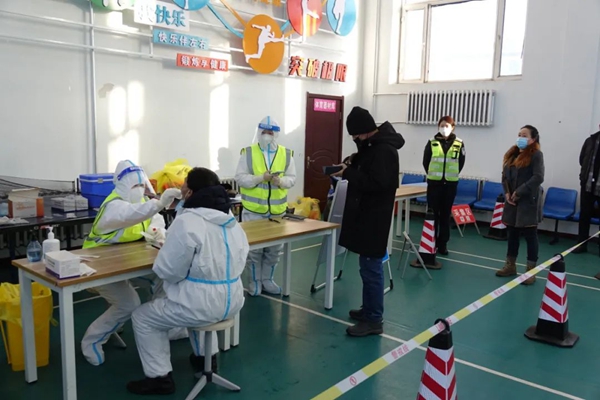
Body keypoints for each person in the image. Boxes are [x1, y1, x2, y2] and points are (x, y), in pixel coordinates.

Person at [127, 168, 249, 395]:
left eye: (183, 186)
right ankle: (206, 360)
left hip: (201, 305)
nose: (180, 189)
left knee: (143, 317)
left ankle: (159, 379)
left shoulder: (188, 222)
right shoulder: (231, 220)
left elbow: (168, 271)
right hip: (233, 301)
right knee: (197, 302)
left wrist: (167, 252)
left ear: (190, 192)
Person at [81, 160, 182, 366]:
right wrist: (159, 203)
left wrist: (158, 233)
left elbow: (155, 222)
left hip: (127, 262)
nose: (139, 190)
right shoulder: (113, 206)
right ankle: (92, 340)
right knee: (129, 303)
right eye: (134, 185)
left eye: (141, 185)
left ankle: (165, 327)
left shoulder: (143, 202)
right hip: (98, 266)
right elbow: (132, 214)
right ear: (122, 185)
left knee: (163, 280)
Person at [331, 106, 404, 337]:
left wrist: (348, 173)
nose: (355, 139)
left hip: (375, 218)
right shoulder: (373, 147)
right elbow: (368, 171)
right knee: (366, 267)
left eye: (356, 135)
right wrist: (352, 164)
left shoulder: (384, 151)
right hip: (367, 216)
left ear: (365, 130)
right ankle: (369, 309)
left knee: (372, 269)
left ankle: (374, 319)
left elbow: (376, 183)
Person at [235, 116, 296, 296]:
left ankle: (268, 280)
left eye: (270, 132)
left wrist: (280, 181)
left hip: (277, 212)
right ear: (259, 132)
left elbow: (292, 179)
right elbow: (240, 178)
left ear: (276, 134)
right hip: (253, 210)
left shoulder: (286, 154)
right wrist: (260, 178)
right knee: (254, 250)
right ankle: (254, 281)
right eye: (264, 132)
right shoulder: (248, 152)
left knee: (274, 250)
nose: (267, 135)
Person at [495, 125, 544, 285]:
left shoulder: (536, 155)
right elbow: (504, 176)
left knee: (530, 236)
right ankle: (510, 265)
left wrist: (519, 192)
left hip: (528, 202)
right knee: (512, 234)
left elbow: (538, 177)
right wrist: (507, 193)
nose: (520, 138)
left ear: (533, 139)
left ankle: (531, 271)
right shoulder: (512, 154)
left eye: (524, 135)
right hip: (511, 201)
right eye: (519, 135)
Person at [422, 116, 466, 255]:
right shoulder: (431, 142)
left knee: (445, 215)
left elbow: (461, 163)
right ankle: (431, 242)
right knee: (433, 214)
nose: (444, 128)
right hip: (434, 184)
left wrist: (449, 175)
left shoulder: (459, 143)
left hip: (450, 185)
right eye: (442, 125)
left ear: (453, 127)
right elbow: (426, 162)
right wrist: (434, 176)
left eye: (447, 126)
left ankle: (443, 244)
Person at [574, 125, 600, 253]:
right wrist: (583, 177)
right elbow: (582, 159)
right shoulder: (590, 140)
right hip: (588, 185)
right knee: (584, 216)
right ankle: (581, 245)